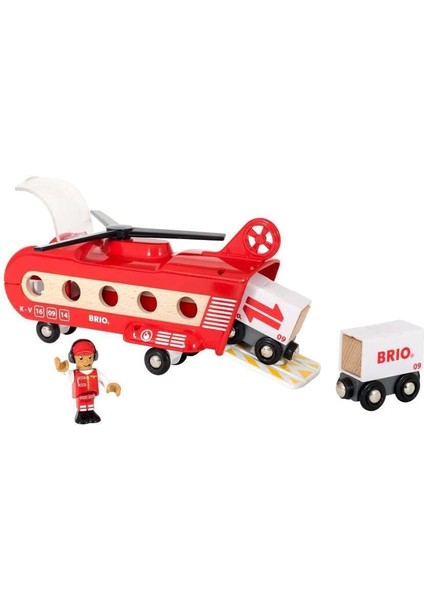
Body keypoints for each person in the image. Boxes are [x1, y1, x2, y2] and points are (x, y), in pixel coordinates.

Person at [55, 339, 121, 424]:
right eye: (81, 358)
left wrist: (109, 386)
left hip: (91, 395)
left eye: (89, 357)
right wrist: (63, 370)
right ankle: (81, 414)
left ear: (94, 357)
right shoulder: (74, 373)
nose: (86, 361)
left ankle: (90, 413)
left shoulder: (96, 372)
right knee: (82, 405)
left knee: (90, 405)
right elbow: (68, 377)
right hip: (81, 396)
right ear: (73, 358)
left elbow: (104, 380)